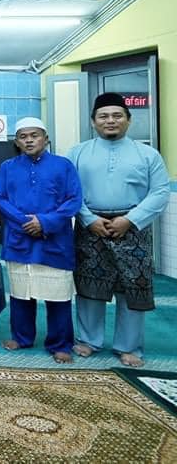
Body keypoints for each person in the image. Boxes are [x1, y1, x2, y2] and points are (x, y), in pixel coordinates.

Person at [67, 92, 169, 368]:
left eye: (116, 115)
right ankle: (88, 340)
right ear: (93, 121)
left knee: (132, 288)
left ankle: (129, 346)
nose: (110, 121)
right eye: (103, 116)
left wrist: (132, 219)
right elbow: (69, 191)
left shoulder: (147, 154)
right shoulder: (78, 153)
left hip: (133, 228)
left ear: (128, 120)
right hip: (91, 227)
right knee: (88, 286)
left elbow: (160, 192)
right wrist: (88, 218)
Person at [0, 117, 82, 364]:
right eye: (23, 136)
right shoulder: (8, 167)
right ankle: (21, 337)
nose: (29, 140)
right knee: (21, 293)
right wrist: (25, 221)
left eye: (34, 135)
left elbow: (73, 200)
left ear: (46, 138)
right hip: (19, 237)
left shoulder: (63, 166)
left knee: (59, 295)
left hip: (55, 240)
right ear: (17, 142)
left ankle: (61, 343)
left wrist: (44, 222)